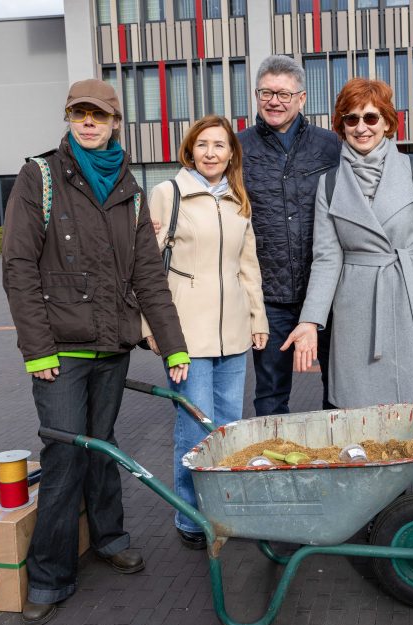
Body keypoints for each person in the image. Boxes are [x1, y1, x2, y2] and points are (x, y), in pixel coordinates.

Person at [2, 78, 190, 625]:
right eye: (78, 113)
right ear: (68, 119)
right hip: (59, 352)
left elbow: (149, 276)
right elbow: (17, 269)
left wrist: (173, 347)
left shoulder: (127, 189)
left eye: (98, 115)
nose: (88, 122)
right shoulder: (39, 176)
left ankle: (110, 538)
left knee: (104, 447)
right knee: (64, 458)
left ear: (114, 123)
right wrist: (36, 351)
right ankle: (49, 576)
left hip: (111, 348)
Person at [282, 78, 413, 410]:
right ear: (342, 126)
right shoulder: (329, 184)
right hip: (357, 308)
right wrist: (310, 320)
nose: (361, 127)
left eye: (371, 117)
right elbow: (326, 259)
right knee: (361, 411)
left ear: (387, 122)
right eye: (351, 119)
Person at [142, 115, 269, 550]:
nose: (211, 152)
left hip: (233, 333)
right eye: (203, 145)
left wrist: (258, 320)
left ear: (232, 152)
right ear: (190, 150)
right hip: (186, 336)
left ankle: (224, 509)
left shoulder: (238, 200)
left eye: (220, 145)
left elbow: (247, 267)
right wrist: (151, 329)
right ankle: (191, 518)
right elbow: (145, 269)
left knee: (228, 426)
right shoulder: (167, 194)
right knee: (194, 429)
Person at [237, 55, 341, 416]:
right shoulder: (238, 148)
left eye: (283, 93)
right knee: (269, 393)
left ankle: (337, 465)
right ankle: (272, 470)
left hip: (326, 293)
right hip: (270, 296)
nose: (274, 101)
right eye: (266, 92)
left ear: (301, 98)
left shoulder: (331, 146)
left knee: (339, 389)